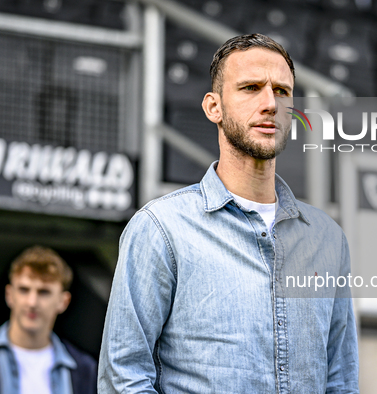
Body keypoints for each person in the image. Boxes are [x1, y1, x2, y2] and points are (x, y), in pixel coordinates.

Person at [99, 33, 359, 393]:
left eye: (282, 91)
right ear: (213, 107)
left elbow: (341, 381)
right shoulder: (161, 230)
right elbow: (122, 378)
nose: (270, 103)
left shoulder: (327, 239)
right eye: (251, 87)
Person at [0, 246, 97, 394]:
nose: (32, 302)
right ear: (9, 295)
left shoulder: (84, 369)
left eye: (44, 292)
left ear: (63, 301)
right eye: (24, 290)